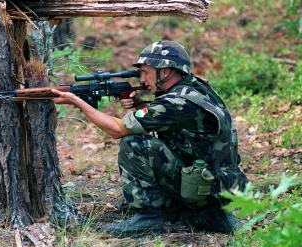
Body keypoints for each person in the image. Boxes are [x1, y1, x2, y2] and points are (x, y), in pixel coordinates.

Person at [51, 40, 248, 238]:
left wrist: (76, 101)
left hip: (206, 188)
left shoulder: (176, 103)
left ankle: (147, 218)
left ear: (165, 72)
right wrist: (139, 104)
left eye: (146, 72)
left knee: (134, 144)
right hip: (220, 186)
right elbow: (170, 123)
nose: (142, 79)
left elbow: (117, 129)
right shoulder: (195, 88)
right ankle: (200, 214)